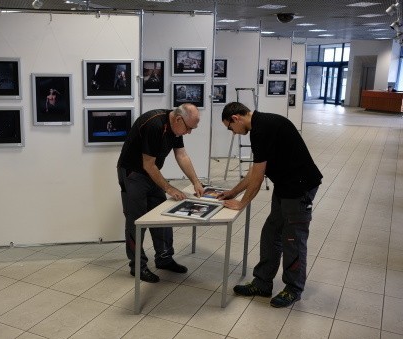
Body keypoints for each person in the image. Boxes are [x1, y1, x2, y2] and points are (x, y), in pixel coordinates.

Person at [218, 102, 323, 308]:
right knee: (271, 233)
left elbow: (257, 177)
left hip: (299, 188)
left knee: (293, 238)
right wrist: (233, 192)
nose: (233, 133)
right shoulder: (260, 126)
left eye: (230, 128)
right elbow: (255, 170)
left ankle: (293, 289)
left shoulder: (262, 129)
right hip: (285, 185)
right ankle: (262, 283)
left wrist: (242, 203)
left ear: (236, 118)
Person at [117, 103, 204, 283]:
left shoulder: (176, 128)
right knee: (137, 220)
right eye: (189, 128)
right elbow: (147, 164)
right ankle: (138, 266)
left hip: (151, 171)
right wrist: (170, 188)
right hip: (133, 172)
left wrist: (196, 181)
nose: (189, 133)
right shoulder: (154, 125)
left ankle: (164, 258)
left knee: (162, 214)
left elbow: (182, 155)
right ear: (179, 119)